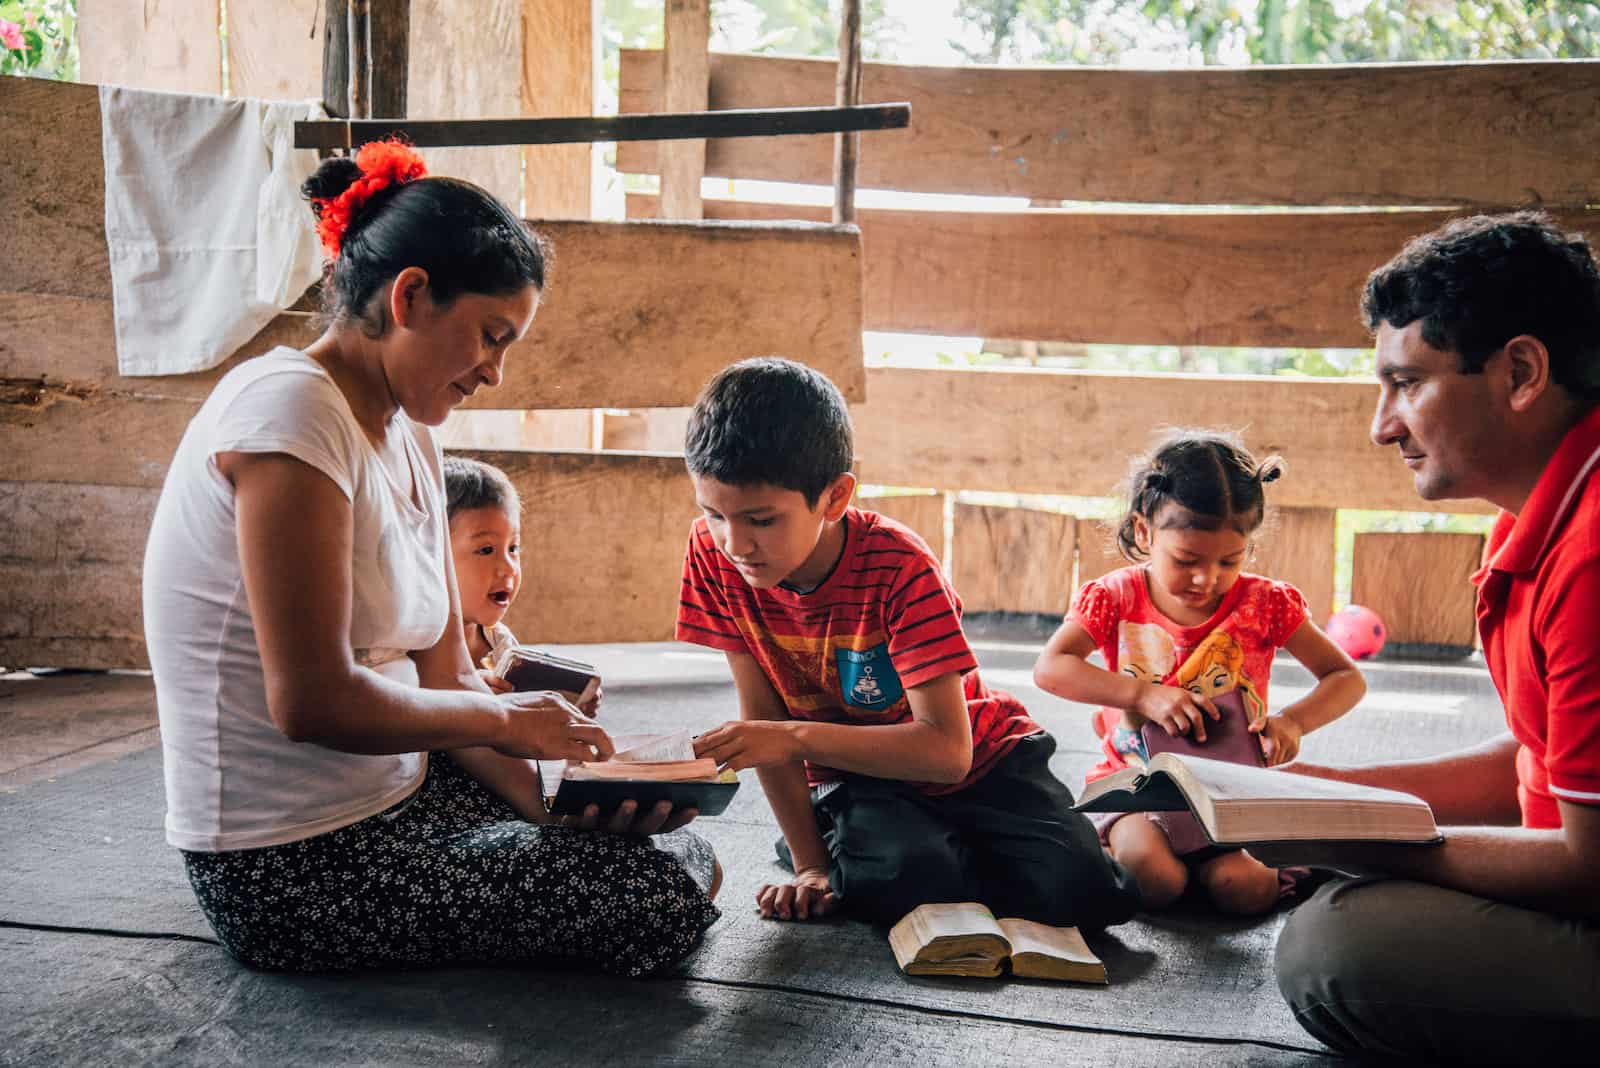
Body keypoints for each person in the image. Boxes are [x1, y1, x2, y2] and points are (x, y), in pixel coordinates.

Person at [142, 140, 718, 978]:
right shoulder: (289, 419)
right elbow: (311, 702)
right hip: (288, 864)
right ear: (410, 295)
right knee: (657, 904)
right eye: (490, 336)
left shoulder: (406, 431)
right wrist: (508, 720)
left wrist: (553, 806)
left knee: (673, 856)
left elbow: (447, 674)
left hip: (400, 798)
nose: (493, 372)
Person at [1268, 211, 1600, 1062]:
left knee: (1337, 948)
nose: (1382, 425)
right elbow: (1537, 763)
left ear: (1521, 372)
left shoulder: (1594, 553)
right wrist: (1323, 791)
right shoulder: (1537, 515)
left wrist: (1350, 838)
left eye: (1407, 383)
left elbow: (1590, 863)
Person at [676, 356, 1141, 927]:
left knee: (1088, 894)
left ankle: (915, 847)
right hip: (859, 776)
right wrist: (809, 866)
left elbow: (948, 754)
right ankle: (876, 845)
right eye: (713, 514)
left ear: (835, 496)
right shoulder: (711, 552)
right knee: (906, 884)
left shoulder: (899, 567)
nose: (733, 543)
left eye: (762, 520)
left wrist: (790, 736)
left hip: (986, 761)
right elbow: (762, 719)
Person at [1032, 431, 1365, 916]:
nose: (1206, 579)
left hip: (1231, 793)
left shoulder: (1265, 603)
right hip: (1137, 786)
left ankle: (1236, 871)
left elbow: (1345, 677)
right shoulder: (1115, 597)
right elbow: (1051, 668)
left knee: (1241, 890)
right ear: (1145, 532)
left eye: (1229, 560)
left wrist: (1292, 722)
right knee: (1156, 879)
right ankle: (1130, 853)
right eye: (1186, 560)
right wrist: (1142, 696)